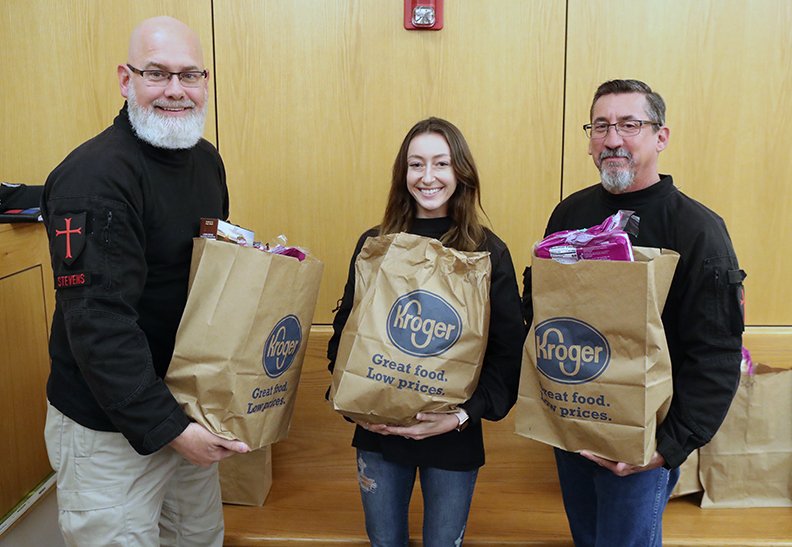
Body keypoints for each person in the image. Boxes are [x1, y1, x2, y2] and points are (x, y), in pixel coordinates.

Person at [41, 16, 249, 546]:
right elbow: (99, 325)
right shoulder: (95, 179)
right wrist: (171, 429)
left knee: (196, 538)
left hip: (183, 406)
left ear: (206, 81)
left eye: (190, 75)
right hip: (110, 427)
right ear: (125, 79)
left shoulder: (205, 160)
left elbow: (206, 272)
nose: (175, 91)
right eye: (157, 74)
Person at [525, 79, 745, 547]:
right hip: (575, 426)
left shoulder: (699, 230)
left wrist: (667, 448)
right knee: (587, 538)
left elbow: (717, 350)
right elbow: (542, 313)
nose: (612, 139)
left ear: (660, 137)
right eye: (601, 126)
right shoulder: (570, 213)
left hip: (646, 442)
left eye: (630, 125)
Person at [327, 117, 526, 546]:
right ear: (403, 174)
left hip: (453, 439)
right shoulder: (375, 245)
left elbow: (508, 355)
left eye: (441, 163)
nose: (428, 176)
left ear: (461, 173)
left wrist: (458, 416)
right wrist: (359, 408)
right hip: (378, 436)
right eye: (416, 165)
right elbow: (344, 337)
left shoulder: (487, 252)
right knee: (384, 542)